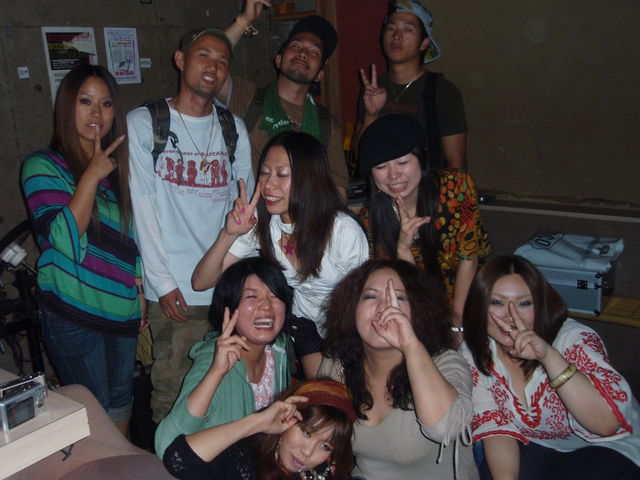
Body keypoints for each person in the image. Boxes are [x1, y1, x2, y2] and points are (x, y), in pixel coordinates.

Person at [128, 28, 254, 423]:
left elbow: (246, 209)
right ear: (181, 60)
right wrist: (162, 283)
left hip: (226, 286)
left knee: (229, 390)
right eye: (204, 55)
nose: (213, 66)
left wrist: (240, 280)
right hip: (175, 290)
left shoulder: (234, 128)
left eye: (222, 60)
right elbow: (143, 207)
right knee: (173, 392)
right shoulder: (144, 123)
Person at [21, 63, 142, 435]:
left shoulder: (120, 170)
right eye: (85, 101)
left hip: (121, 312)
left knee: (122, 403)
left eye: (106, 104)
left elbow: (133, 238)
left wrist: (139, 291)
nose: (97, 113)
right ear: (66, 106)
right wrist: (90, 175)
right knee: (94, 417)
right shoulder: (42, 166)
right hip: (74, 314)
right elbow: (63, 241)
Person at [460, 255, 640, 480]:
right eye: (497, 303)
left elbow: (605, 426)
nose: (510, 315)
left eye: (524, 303)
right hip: (542, 444)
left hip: (610, 445)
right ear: (479, 306)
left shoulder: (573, 339)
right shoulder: (475, 351)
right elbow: (496, 429)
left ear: (541, 304)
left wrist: (548, 356)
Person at [192, 131, 368, 346]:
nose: (268, 184)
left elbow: (362, 300)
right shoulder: (262, 223)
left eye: (282, 174)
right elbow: (201, 282)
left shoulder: (342, 231)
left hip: (347, 330)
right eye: (264, 172)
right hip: (303, 326)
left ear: (310, 178)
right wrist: (229, 234)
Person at [320, 259, 478, 479]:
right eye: (370, 296)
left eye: (399, 298)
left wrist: (410, 345)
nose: (384, 307)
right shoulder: (338, 365)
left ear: (419, 311)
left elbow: (445, 429)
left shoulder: (447, 363)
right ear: (352, 309)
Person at [358, 114, 491, 331]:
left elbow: (469, 258)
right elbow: (401, 290)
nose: (393, 175)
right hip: (415, 310)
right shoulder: (369, 221)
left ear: (422, 159)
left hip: (469, 300)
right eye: (381, 167)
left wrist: (458, 322)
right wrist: (403, 249)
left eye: (402, 162)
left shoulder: (456, 187)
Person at [155, 257, 293, 458]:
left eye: (274, 296)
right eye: (252, 296)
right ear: (228, 306)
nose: (266, 306)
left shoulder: (277, 351)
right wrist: (215, 373)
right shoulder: (213, 361)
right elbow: (167, 446)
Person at [222, 3, 349, 199]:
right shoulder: (247, 97)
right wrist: (244, 21)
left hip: (304, 215)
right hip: (251, 214)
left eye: (314, 52)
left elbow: (338, 192)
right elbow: (207, 62)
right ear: (279, 60)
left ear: (319, 75)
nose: (303, 53)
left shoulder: (325, 123)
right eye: (296, 46)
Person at [163, 378, 355, 480]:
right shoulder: (246, 457)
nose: (308, 452)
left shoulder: (324, 472)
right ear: (287, 418)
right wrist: (257, 423)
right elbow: (178, 461)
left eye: (325, 446)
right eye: (306, 433)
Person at [354, 0, 468, 169]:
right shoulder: (373, 88)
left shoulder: (444, 92)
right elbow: (360, 156)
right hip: (383, 183)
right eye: (391, 28)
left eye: (408, 29)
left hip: (427, 185)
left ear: (424, 43)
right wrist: (371, 115)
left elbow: (456, 165)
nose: (396, 36)